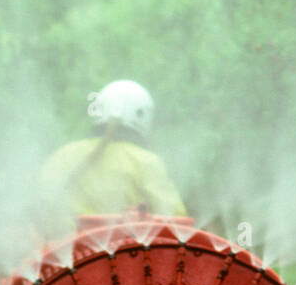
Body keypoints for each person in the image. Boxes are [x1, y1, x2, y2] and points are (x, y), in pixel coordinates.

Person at [38, 80, 186, 239]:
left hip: (62, 255)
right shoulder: (145, 162)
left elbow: (41, 206)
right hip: (125, 259)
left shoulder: (63, 155)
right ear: (142, 115)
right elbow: (178, 222)